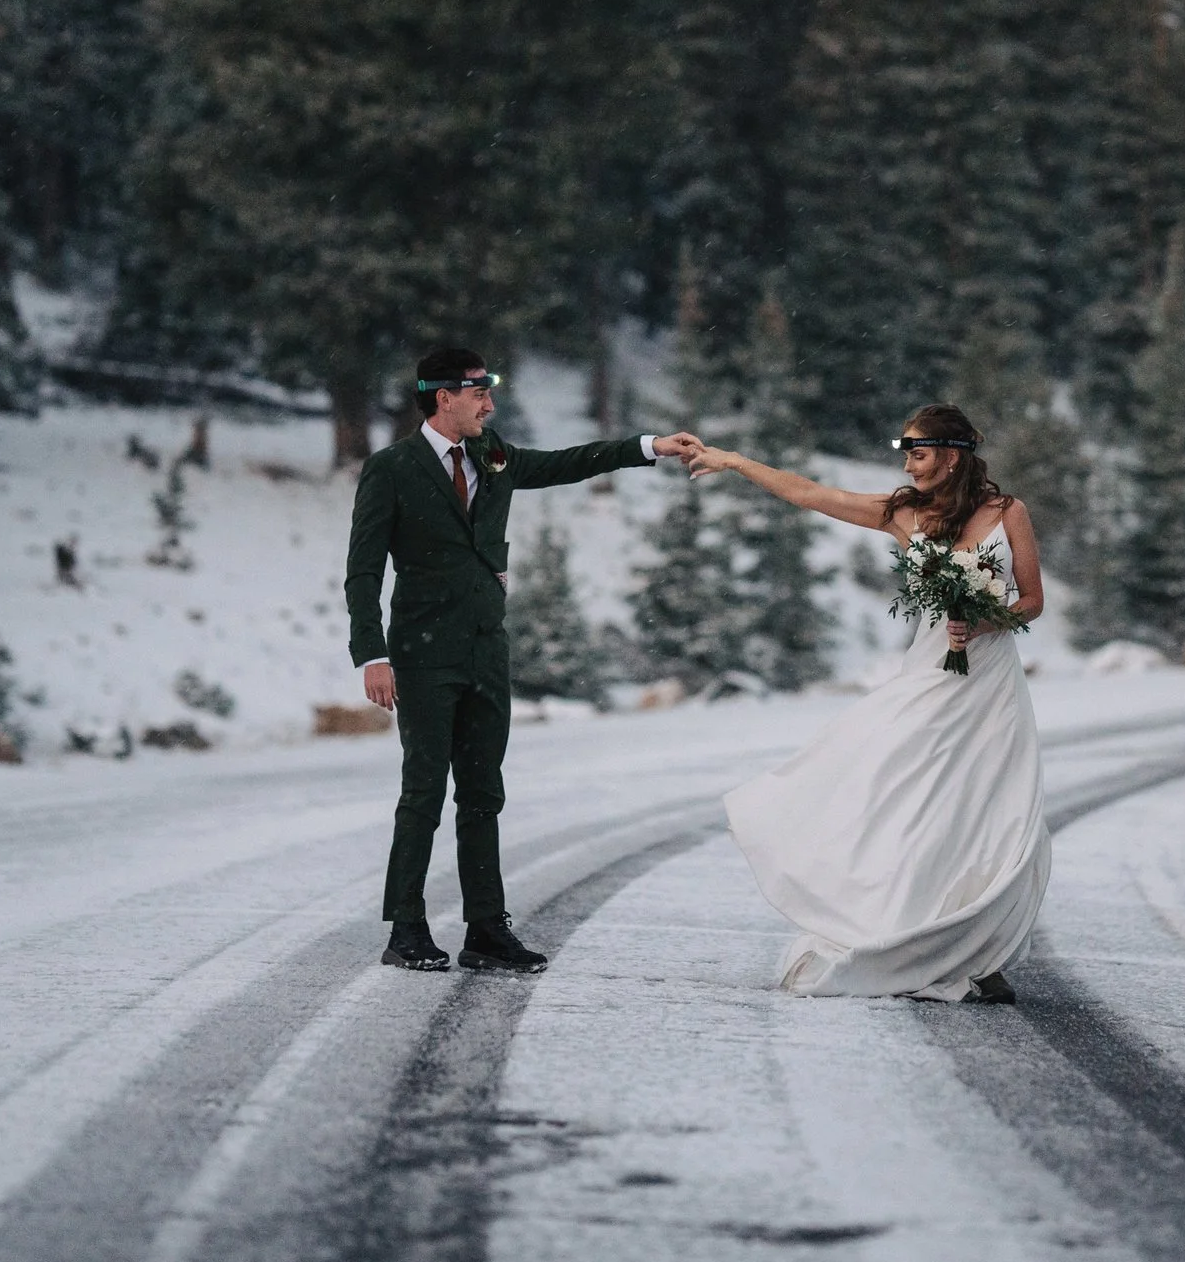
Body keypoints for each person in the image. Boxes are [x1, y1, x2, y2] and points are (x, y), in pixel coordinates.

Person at [346, 346, 702, 973]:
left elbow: (565, 463)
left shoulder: (494, 454)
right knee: (423, 794)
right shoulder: (392, 469)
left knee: (484, 794)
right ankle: (406, 928)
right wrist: (371, 654)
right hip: (423, 656)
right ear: (442, 397)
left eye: (490, 390)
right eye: (478, 391)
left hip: (487, 649)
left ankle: (486, 929)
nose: (489, 403)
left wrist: (649, 446)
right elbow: (363, 570)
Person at [687, 403, 1048, 1003]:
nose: (908, 461)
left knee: (986, 805)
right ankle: (906, 923)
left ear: (952, 454)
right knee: (900, 789)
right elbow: (807, 492)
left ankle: (981, 951)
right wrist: (733, 461)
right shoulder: (902, 513)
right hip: (930, 672)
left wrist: (986, 623)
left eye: (918, 450)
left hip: (989, 681)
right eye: (905, 450)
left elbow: (1032, 599)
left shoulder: (1009, 513)